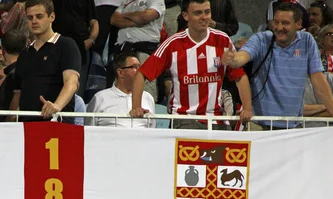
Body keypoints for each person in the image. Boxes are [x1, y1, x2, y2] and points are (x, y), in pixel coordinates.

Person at [222, 2, 333, 129]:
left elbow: (318, 79)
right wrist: (233, 59)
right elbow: (242, 57)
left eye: (285, 23)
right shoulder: (262, 39)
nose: (279, 28)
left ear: (298, 24)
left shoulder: (307, 41)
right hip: (259, 125)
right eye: (276, 22)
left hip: (293, 126)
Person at [130, 0, 253, 130]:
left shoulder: (222, 40)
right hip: (184, 119)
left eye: (207, 12)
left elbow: (240, 77)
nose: (204, 17)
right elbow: (141, 74)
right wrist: (136, 107)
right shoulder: (173, 44)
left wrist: (247, 108)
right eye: (198, 13)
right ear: (185, 16)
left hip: (216, 120)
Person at [11, 0, 81, 121]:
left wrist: (56, 106)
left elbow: (72, 82)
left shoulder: (66, 45)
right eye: (30, 17)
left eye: (39, 16)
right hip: (26, 128)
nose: (34, 21)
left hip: (57, 124)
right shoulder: (25, 54)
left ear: (52, 17)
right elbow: (18, 93)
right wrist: (11, 121)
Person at [110, 0, 164, 100]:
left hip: (145, 49)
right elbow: (114, 19)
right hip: (123, 51)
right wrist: (137, 19)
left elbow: (145, 16)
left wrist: (125, 15)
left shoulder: (156, 1)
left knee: (146, 89)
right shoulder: (126, 1)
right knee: (119, 88)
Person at [86, 51, 154, 127]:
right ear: (120, 73)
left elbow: (152, 130)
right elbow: (89, 130)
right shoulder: (100, 97)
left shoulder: (148, 97)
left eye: (140, 67)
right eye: (134, 67)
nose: (140, 71)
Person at [52, 0, 98, 98]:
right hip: (55, 45)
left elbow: (94, 21)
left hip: (81, 45)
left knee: (77, 88)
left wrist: (91, 40)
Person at [0, 28, 26, 118]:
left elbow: (14, 110)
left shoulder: (14, 75)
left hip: (9, 128)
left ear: (2, 49)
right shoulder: (28, 71)